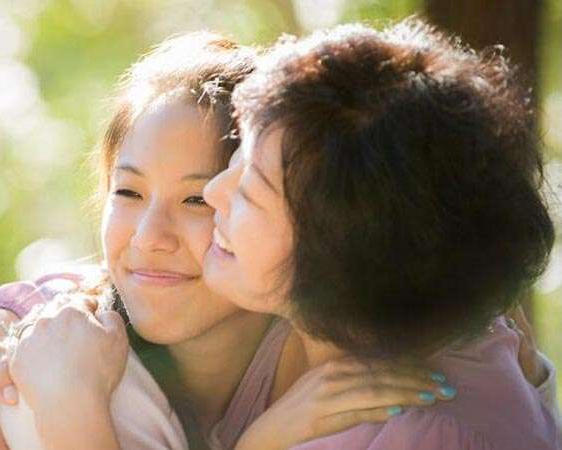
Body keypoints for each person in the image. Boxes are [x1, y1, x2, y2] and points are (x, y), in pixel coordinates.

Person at [0, 32, 458, 450]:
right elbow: (53, 295)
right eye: (128, 191)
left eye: (197, 201)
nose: (150, 237)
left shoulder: (323, 342)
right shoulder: (51, 368)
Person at [202, 19, 561, 449]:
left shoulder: (424, 432)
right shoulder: (286, 328)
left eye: (250, 194)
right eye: (238, 152)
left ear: (340, 256)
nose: (212, 192)